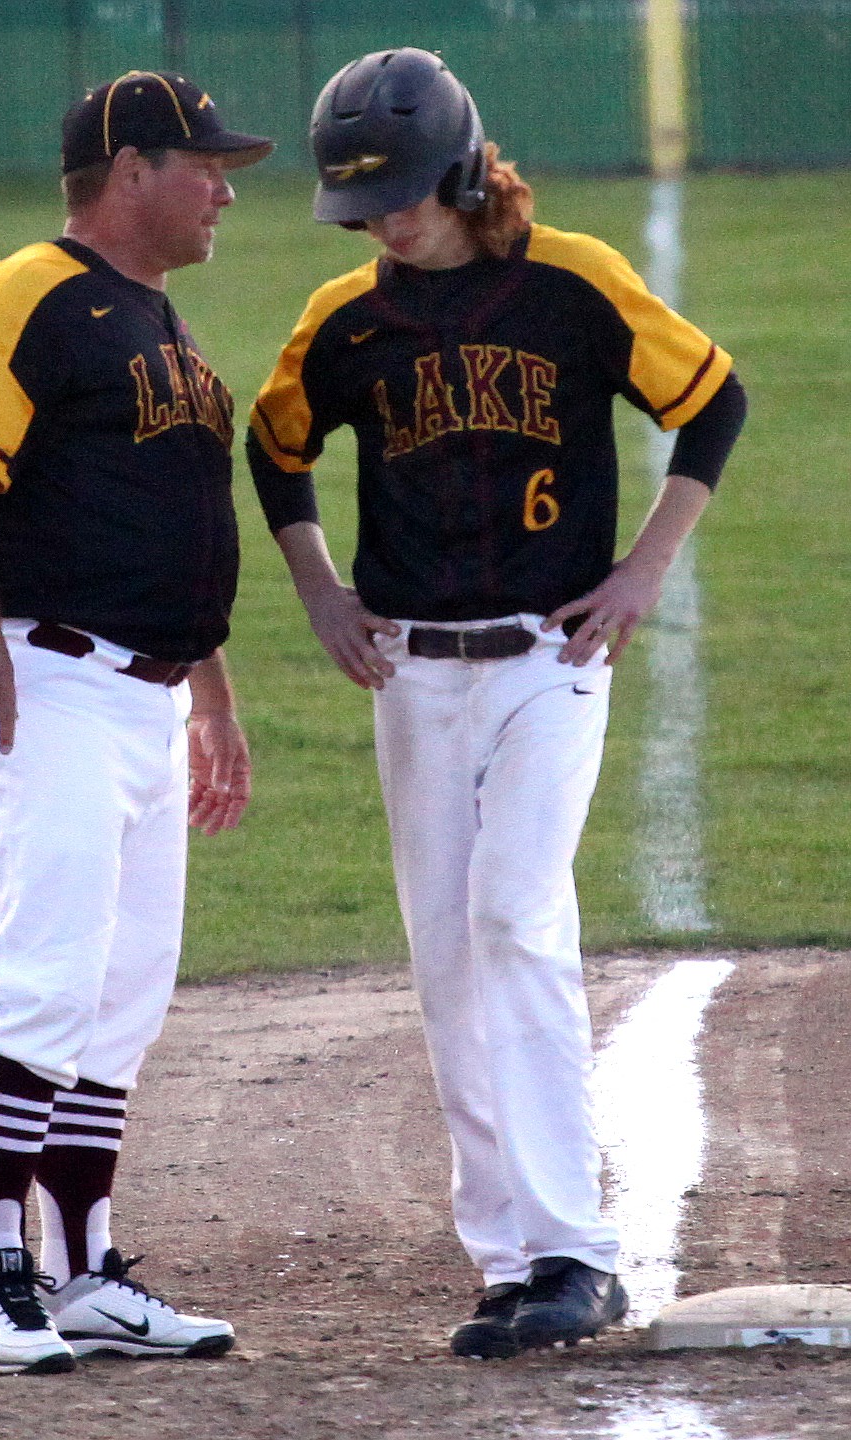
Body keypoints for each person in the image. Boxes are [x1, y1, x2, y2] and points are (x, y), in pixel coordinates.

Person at [247, 47, 746, 1358]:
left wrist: (644, 568)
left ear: (465, 167)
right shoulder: (350, 321)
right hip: (412, 673)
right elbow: (275, 443)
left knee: (514, 911)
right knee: (450, 960)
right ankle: (513, 1259)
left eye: (405, 190)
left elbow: (713, 402)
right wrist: (318, 593)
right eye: (365, 201)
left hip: (549, 660)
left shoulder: (573, 284)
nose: (389, 219)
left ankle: (578, 1254)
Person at [0, 69, 272, 1376]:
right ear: (131, 170)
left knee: (119, 1004)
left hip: (150, 703)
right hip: (47, 686)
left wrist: (211, 697)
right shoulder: (28, 295)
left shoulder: (159, 324)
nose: (226, 187)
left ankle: (83, 1269)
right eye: (206, 164)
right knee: (43, 985)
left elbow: (171, 525)